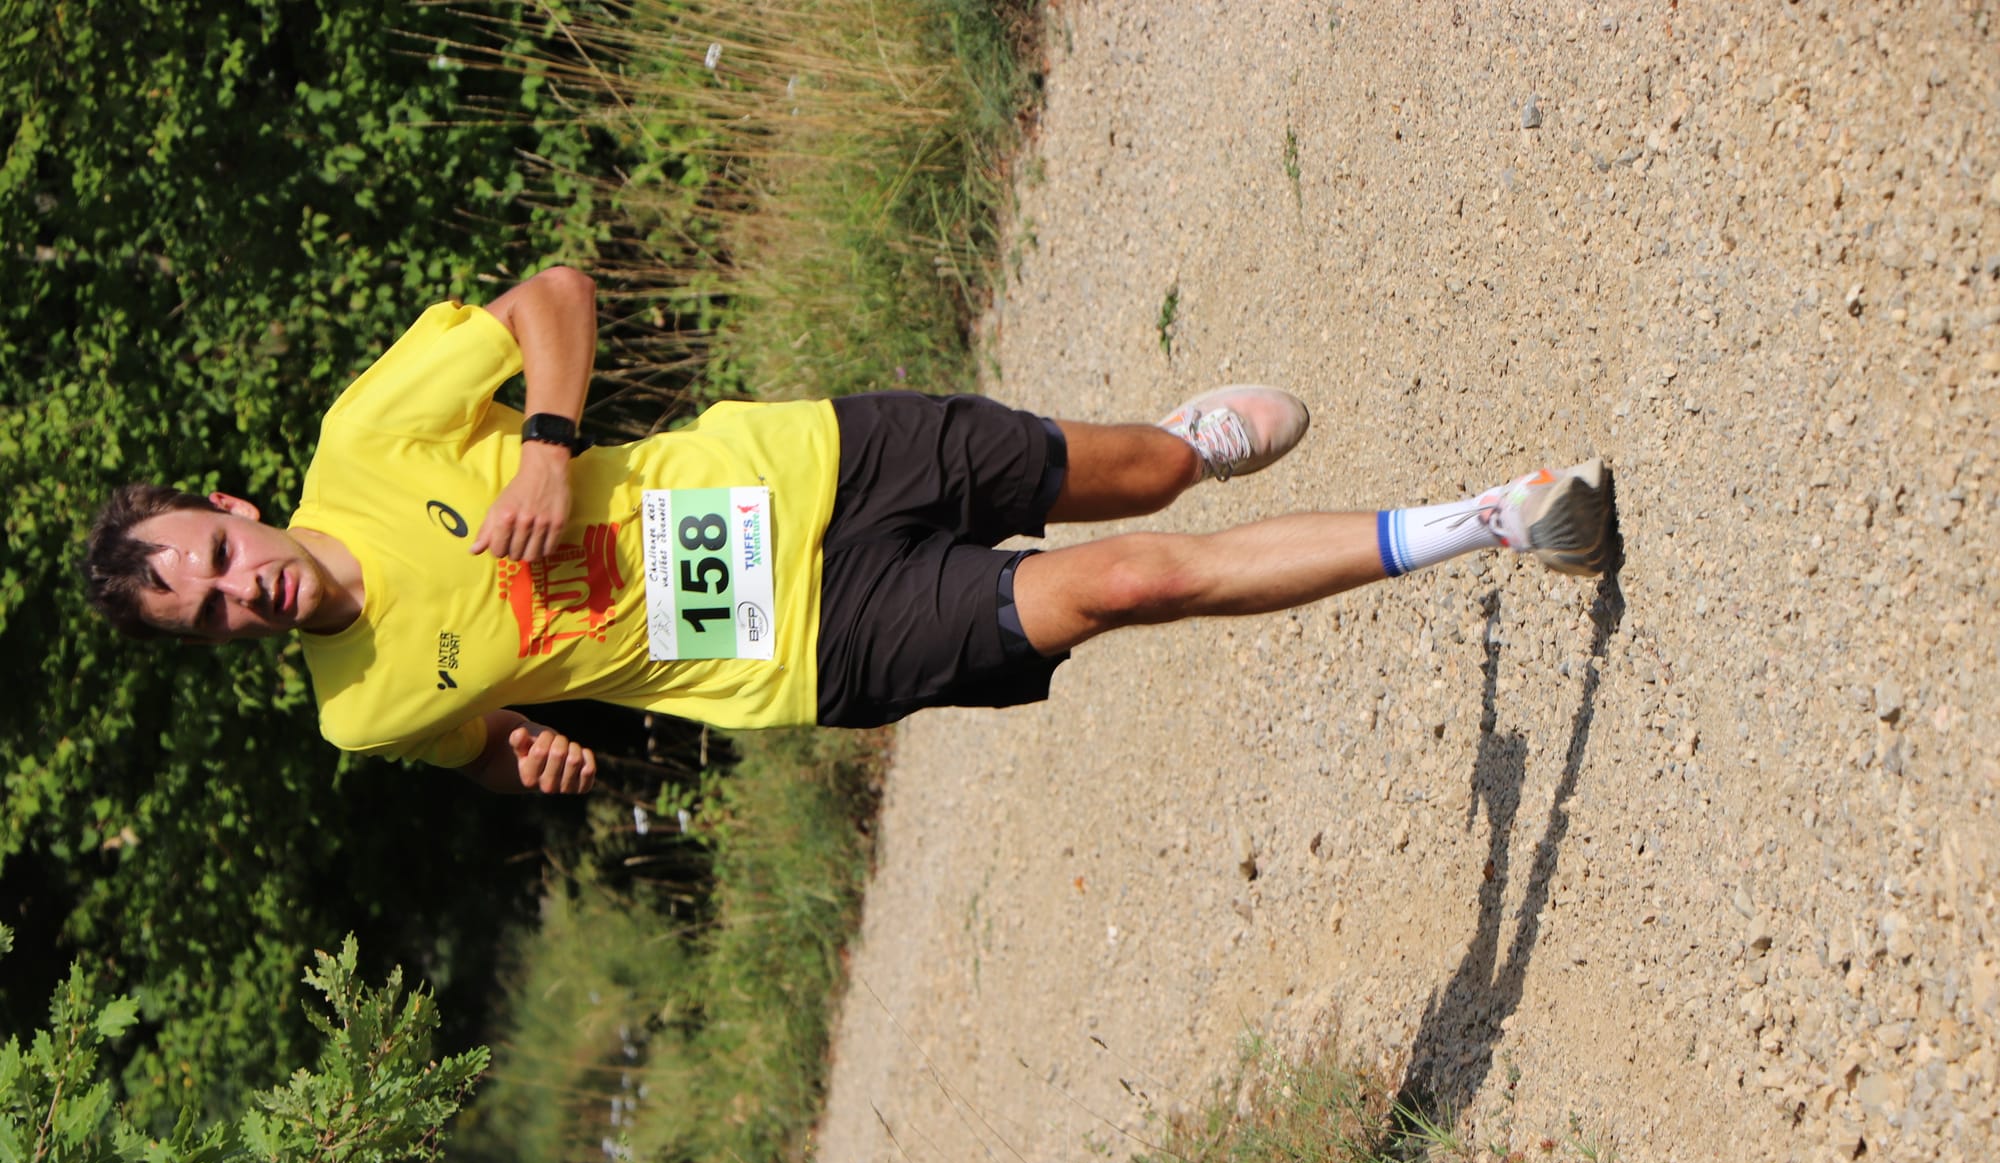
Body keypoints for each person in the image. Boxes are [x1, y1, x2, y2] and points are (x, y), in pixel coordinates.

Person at [81, 267, 1612, 796]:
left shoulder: (363, 442)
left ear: (229, 510)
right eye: (209, 617)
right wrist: (524, 759)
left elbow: (554, 298)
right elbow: (472, 737)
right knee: (1127, 586)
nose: (244, 593)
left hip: (803, 465)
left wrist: (547, 445)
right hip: (796, 649)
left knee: (1136, 483)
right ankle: (1490, 522)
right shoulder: (358, 715)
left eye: (216, 560)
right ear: (215, 647)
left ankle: (1183, 444)